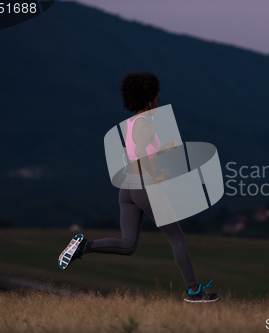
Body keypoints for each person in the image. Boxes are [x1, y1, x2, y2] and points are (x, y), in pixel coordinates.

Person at [58, 71, 219, 303]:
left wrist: (165, 149)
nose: (159, 99)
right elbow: (142, 153)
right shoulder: (148, 126)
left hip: (128, 187)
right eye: (157, 96)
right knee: (177, 238)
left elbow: (137, 152)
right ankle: (194, 291)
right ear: (148, 99)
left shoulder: (132, 123)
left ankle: (84, 246)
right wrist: (156, 173)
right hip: (146, 187)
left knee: (128, 245)